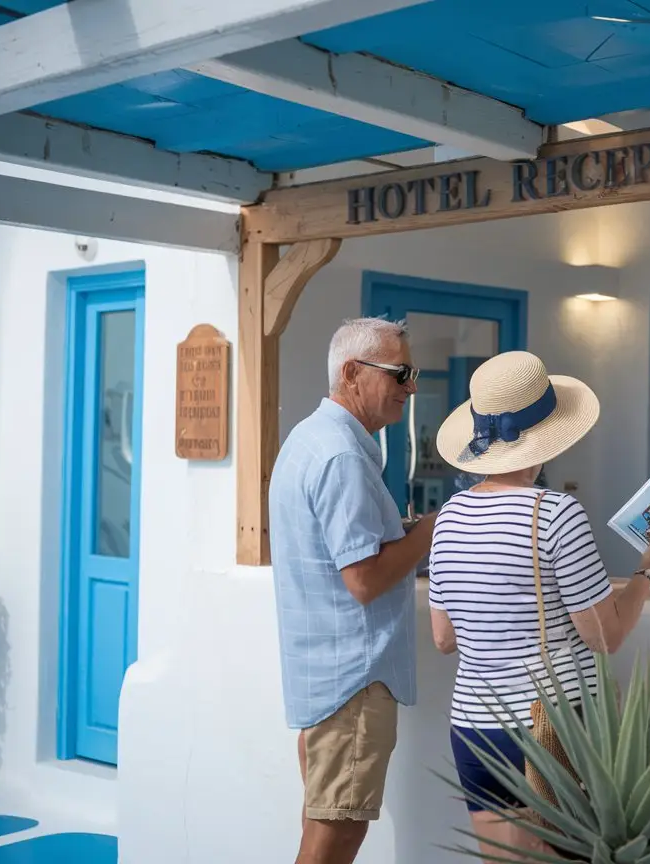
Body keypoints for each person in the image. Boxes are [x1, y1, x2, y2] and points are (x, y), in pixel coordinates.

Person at [426, 351, 650, 862]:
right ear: (547, 441)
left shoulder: (449, 516)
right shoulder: (556, 514)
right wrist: (647, 570)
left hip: (473, 726)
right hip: (550, 725)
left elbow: (444, 639)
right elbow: (605, 637)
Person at [269, 317, 437, 864]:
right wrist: (433, 530)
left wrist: (404, 536)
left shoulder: (311, 439)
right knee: (336, 837)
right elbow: (363, 579)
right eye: (401, 374)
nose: (411, 388)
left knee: (324, 829)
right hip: (354, 682)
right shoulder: (342, 458)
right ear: (351, 373)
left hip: (327, 678)